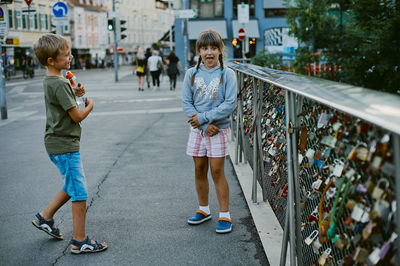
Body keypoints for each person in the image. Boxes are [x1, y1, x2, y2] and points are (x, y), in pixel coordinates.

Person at [32, 33, 107, 254]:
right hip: (64, 145)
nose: (71, 56)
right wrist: (90, 104)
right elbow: (76, 116)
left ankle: (45, 217)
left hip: (57, 143)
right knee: (80, 192)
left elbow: (61, 104)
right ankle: (80, 240)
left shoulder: (52, 81)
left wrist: (74, 92)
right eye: (66, 55)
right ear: (51, 61)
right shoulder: (59, 83)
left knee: (70, 185)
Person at [181, 29, 237, 234]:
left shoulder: (227, 74)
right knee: (199, 169)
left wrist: (204, 118)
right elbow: (187, 103)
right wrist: (203, 125)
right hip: (198, 130)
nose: (209, 52)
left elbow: (230, 103)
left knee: (216, 171)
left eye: (213, 48)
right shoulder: (191, 73)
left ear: (220, 50)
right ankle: (203, 209)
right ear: (199, 52)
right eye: (204, 48)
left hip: (218, 130)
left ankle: (225, 214)